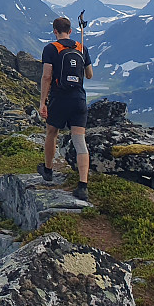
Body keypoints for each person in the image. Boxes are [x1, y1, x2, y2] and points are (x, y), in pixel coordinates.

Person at [37, 16, 94, 200]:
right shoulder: (81, 47)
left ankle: (48, 170)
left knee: (52, 132)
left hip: (59, 99)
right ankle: (83, 185)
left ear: (55, 31)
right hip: (79, 99)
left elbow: (47, 76)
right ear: (70, 31)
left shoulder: (51, 49)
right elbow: (90, 75)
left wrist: (43, 102)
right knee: (79, 141)